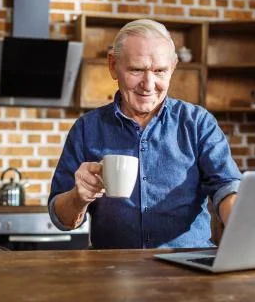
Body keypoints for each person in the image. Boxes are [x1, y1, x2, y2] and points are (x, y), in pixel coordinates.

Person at [48, 19, 241, 249]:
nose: (148, 85)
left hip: (187, 267)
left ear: (173, 67)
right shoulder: (86, 129)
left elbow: (226, 187)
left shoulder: (198, 123)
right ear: (113, 65)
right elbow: (60, 218)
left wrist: (244, 229)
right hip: (111, 271)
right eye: (136, 70)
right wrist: (78, 198)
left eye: (160, 71)